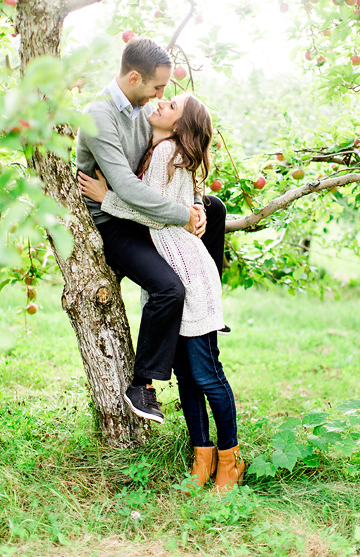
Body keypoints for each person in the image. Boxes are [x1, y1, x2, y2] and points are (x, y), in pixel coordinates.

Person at [79, 93, 245, 493]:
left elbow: (148, 210)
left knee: (206, 376)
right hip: (183, 275)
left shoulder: (167, 152)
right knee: (188, 377)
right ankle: (201, 457)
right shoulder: (167, 154)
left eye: (171, 106)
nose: (162, 104)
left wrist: (106, 199)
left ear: (178, 126)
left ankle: (230, 458)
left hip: (194, 282)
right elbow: (169, 207)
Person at [75, 37, 227, 425]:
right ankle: (142, 384)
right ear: (134, 77)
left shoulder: (143, 109)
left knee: (216, 208)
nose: (161, 96)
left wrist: (196, 202)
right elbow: (125, 187)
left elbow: (182, 148)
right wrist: (182, 216)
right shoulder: (100, 116)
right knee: (168, 289)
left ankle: (207, 305)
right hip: (114, 221)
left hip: (142, 216)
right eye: (157, 87)